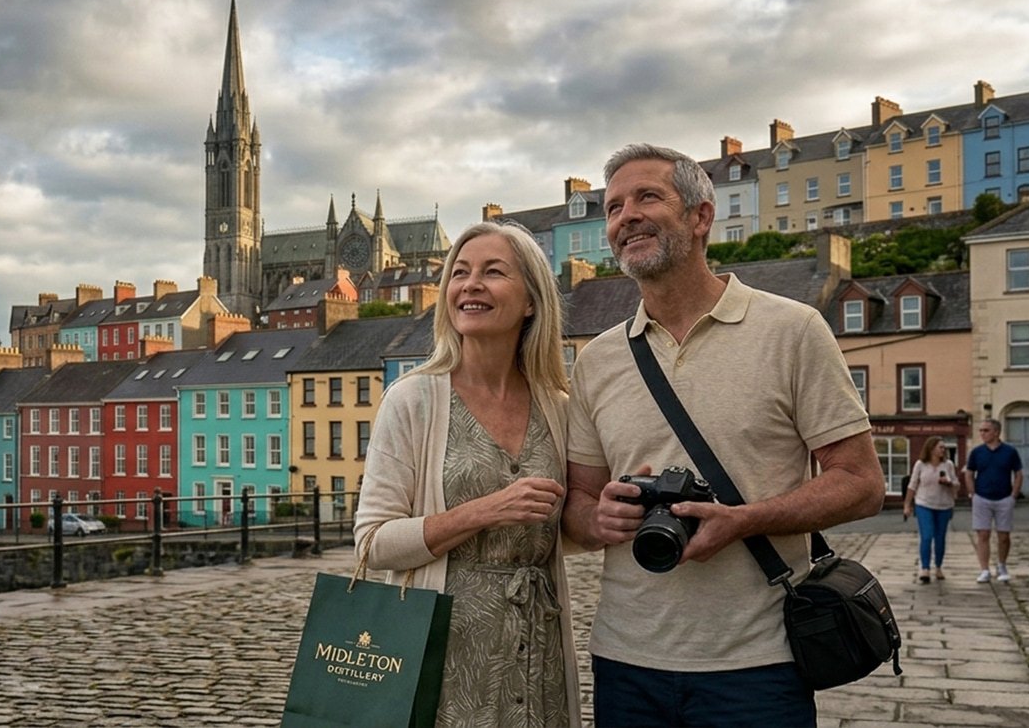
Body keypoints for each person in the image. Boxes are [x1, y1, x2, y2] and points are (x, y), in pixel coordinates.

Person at [560, 143, 886, 728]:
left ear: (701, 216)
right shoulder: (597, 360)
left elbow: (861, 485)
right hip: (626, 660)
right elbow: (578, 507)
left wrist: (745, 520)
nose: (626, 216)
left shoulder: (792, 330)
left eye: (647, 197)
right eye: (613, 207)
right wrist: (598, 517)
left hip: (758, 664)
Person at [355, 221, 583, 727]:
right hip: (443, 658)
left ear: (531, 301)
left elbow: (565, 528)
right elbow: (372, 544)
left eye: (493, 272)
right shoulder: (413, 400)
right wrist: (483, 511)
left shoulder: (559, 407)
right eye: (459, 273)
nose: (470, 284)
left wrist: (611, 511)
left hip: (537, 653)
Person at [966, 419, 1024, 583]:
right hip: (982, 497)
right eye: (981, 430)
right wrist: (972, 493)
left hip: (1004, 497)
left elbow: (1018, 474)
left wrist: (1014, 495)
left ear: (996, 432)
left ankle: (1002, 565)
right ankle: (984, 569)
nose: (982, 433)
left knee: (1004, 535)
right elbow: (969, 473)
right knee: (983, 534)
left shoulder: (1010, 451)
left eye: (986, 430)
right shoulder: (977, 452)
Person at [902, 438, 960, 583]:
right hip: (924, 504)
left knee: (940, 538)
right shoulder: (921, 464)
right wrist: (907, 504)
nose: (943, 450)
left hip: (944, 505)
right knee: (927, 536)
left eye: (944, 448)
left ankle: (938, 567)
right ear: (931, 448)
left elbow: (956, 484)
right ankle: (925, 568)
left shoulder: (948, 465)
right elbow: (912, 485)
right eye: (940, 447)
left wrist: (949, 483)